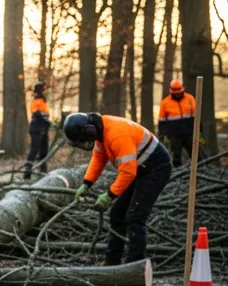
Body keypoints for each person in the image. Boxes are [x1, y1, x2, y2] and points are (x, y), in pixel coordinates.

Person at [64, 112, 172, 265]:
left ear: (89, 130)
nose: (85, 142)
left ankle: (135, 264)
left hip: (156, 169)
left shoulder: (116, 135)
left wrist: (109, 195)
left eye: (84, 139)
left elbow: (128, 172)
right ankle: (112, 261)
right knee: (117, 214)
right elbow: (98, 159)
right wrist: (87, 183)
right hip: (140, 168)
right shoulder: (102, 134)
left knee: (135, 217)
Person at [157, 79, 198, 167]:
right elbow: (162, 120)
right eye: (175, 92)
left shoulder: (190, 98)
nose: (177, 94)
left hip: (190, 133)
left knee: (195, 154)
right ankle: (178, 173)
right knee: (176, 155)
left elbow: (196, 116)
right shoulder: (165, 102)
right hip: (174, 135)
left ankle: (198, 170)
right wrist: (162, 133)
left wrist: (199, 130)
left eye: (179, 92)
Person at [24, 82, 50, 180]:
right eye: (43, 89)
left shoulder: (44, 101)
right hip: (36, 129)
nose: (45, 91)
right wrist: (45, 120)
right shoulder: (35, 101)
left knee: (44, 151)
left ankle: (43, 172)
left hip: (44, 129)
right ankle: (27, 172)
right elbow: (36, 114)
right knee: (34, 150)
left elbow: (46, 114)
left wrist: (48, 121)